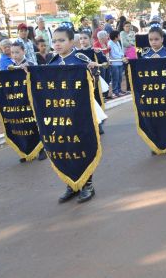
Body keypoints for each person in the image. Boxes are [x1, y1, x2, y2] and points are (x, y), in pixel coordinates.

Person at [48, 25, 104, 204]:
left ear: (71, 42)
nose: (57, 44)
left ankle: (87, 184)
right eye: (55, 41)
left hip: (81, 113)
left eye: (61, 40)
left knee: (82, 146)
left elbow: (94, 84)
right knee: (65, 148)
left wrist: (93, 71)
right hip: (62, 115)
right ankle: (71, 184)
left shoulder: (80, 59)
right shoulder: (52, 63)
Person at [107, 30, 126, 98]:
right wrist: (121, 57)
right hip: (114, 63)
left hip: (120, 62)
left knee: (120, 78)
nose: (120, 36)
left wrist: (123, 56)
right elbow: (113, 54)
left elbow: (121, 51)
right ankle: (115, 91)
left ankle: (119, 90)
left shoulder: (117, 42)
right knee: (115, 78)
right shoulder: (110, 43)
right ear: (115, 37)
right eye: (118, 35)